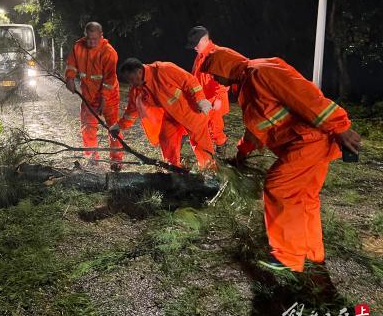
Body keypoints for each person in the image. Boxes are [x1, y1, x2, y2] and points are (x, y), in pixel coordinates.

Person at [200, 48, 361, 272]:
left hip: (309, 141)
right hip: (307, 142)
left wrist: (339, 125)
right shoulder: (248, 82)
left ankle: (287, 256)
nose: (216, 80)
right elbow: (257, 127)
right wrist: (241, 154)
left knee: (279, 188)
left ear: (223, 66)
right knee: (305, 198)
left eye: (215, 74)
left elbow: (303, 96)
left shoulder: (260, 72)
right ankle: (312, 254)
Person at [111, 58, 215, 170]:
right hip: (171, 115)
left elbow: (189, 80)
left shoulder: (164, 69)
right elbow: (131, 112)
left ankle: (210, 171)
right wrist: (118, 126)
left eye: (130, 78)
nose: (130, 83)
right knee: (166, 138)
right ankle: (172, 168)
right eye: (128, 80)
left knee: (200, 143)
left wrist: (200, 99)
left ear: (139, 72)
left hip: (190, 110)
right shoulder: (137, 90)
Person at [65, 22, 123, 171]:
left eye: (94, 39)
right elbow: (71, 64)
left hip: (109, 96)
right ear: (85, 35)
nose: (91, 42)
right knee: (88, 128)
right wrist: (70, 78)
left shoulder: (109, 52)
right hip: (88, 96)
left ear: (101, 36)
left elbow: (109, 80)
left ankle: (116, 161)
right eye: (88, 38)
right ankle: (92, 159)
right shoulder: (78, 46)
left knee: (113, 129)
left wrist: (103, 99)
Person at [187, 26, 231, 155]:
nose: (194, 48)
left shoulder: (216, 54)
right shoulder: (200, 54)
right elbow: (195, 76)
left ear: (204, 40)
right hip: (204, 98)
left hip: (214, 99)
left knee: (215, 129)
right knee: (207, 128)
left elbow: (224, 79)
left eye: (195, 44)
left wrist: (218, 98)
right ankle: (215, 153)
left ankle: (221, 154)